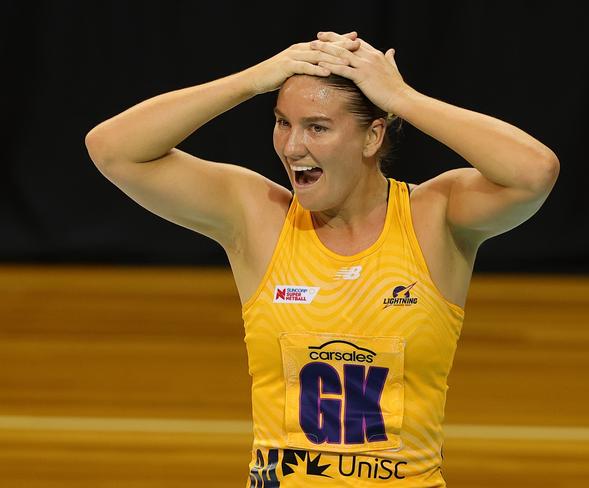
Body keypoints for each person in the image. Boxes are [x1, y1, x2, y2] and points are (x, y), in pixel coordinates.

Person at [85, 30, 559, 487]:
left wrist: (402, 99)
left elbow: (534, 173)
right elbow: (112, 148)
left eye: (317, 127)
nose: (293, 147)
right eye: (282, 122)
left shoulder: (435, 217)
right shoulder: (257, 216)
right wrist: (256, 78)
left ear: (373, 137)